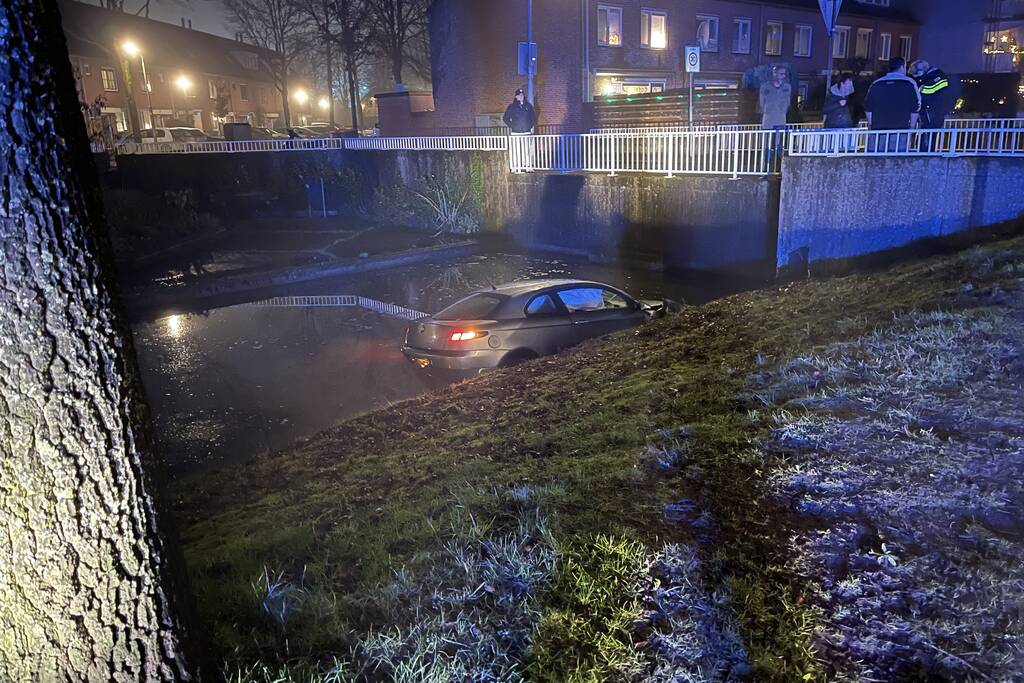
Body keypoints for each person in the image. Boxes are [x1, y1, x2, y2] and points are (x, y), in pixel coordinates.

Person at [864, 57, 921, 152]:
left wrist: (871, 125)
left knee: (875, 159)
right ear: (902, 67)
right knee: (897, 160)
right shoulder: (909, 83)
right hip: (900, 129)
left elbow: (868, 107)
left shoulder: (877, 83)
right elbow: (916, 107)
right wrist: (911, 127)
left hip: (878, 130)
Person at [910, 59, 953, 129]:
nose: (916, 77)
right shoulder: (934, 76)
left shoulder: (933, 78)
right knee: (928, 134)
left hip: (932, 113)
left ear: (921, 70)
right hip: (932, 112)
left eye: (916, 74)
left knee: (929, 134)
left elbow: (923, 94)